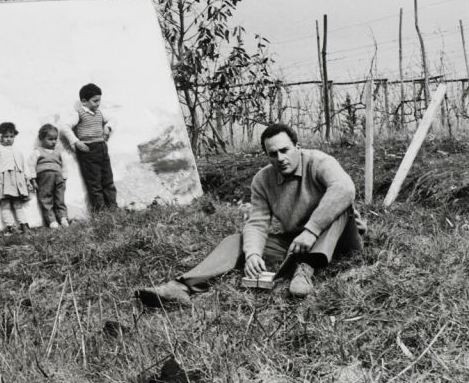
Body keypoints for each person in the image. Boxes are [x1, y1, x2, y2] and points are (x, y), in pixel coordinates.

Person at [136, 123, 365, 304]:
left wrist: (311, 230)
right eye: (272, 154)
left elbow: (345, 189)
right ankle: (181, 286)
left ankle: (305, 268)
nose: (280, 158)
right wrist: (254, 253)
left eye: (285, 150)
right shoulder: (263, 179)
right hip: (296, 241)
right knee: (238, 240)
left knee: (342, 205)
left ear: (297, 146)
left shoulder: (319, 162)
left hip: (338, 240)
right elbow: (257, 222)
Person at [59, 83, 118, 211]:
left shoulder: (100, 113)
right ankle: (101, 211)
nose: (98, 104)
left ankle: (113, 207)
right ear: (84, 101)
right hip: (88, 151)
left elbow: (113, 119)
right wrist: (76, 142)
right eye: (95, 101)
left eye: (99, 101)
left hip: (102, 148)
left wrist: (108, 127)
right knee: (94, 183)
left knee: (108, 180)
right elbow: (64, 127)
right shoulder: (79, 114)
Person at [0, 122, 33, 233]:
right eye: (5, 136)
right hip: (4, 180)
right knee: (5, 204)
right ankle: (11, 226)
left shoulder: (17, 151)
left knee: (18, 204)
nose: (8, 139)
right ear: (0, 137)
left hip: (17, 181)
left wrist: (28, 179)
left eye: (11, 136)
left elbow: (23, 166)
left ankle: (24, 224)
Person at [28, 124, 70, 228]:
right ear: (41, 139)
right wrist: (33, 180)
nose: (54, 142)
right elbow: (31, 165)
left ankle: (63, 218)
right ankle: (52, 221)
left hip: (58, 177)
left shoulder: (59, 151)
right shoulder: (37, 151)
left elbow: (64, 164)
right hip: (44, 178)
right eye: (50, 139)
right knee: (46, 198)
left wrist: (64, 178)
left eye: (55, 139)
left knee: (60, 198)